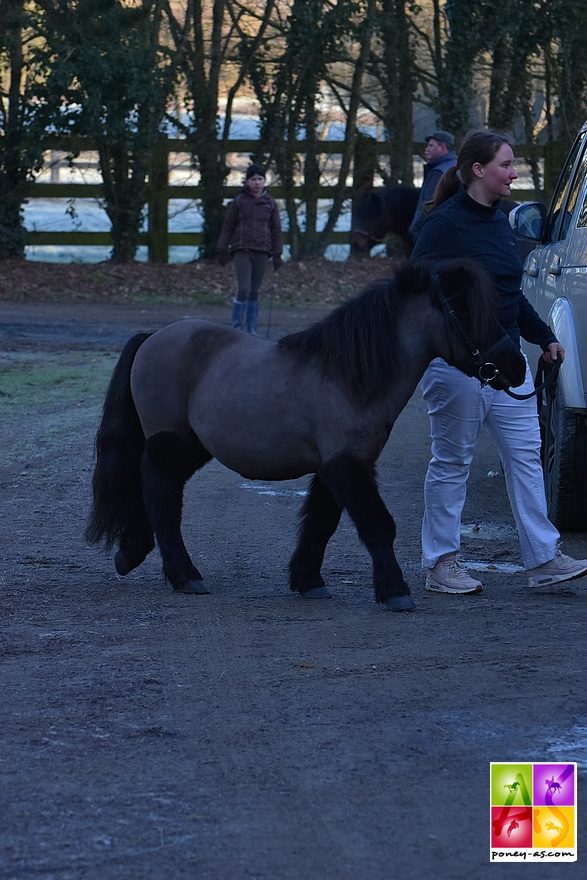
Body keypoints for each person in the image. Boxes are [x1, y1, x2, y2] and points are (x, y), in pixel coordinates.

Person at [410, 129, 587, 595]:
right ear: (478, 170)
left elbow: (511, 297)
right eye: (506, 165)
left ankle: (543, 558)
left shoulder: (503, 222)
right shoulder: (443, 225)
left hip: (509, 367)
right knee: (452, 461)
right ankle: (441, 563)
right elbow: (418, 290)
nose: (514, 173)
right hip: (457, 368)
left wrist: (545, 337)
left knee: (527, 459)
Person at [216, 163, 283, 334]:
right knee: (244, 288)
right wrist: (222, 248)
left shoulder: (270, 203)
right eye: (253, 179)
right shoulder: (238, 202)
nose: (257, 183)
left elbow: (276, 229)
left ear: (264, 181)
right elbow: (227, 226)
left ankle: (251, 328)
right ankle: (237, 326)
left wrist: (277, 253)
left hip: (262, 250)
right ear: (247, 182)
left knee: (254, 291)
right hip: (241, 249)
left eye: (260, 179)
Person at [408, 130, 457, 241]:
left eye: (431, 146)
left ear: (442, 147)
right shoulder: (459, 166)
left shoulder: (438, 173)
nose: (426, 149)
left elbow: (428, 205)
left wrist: (415, 228)